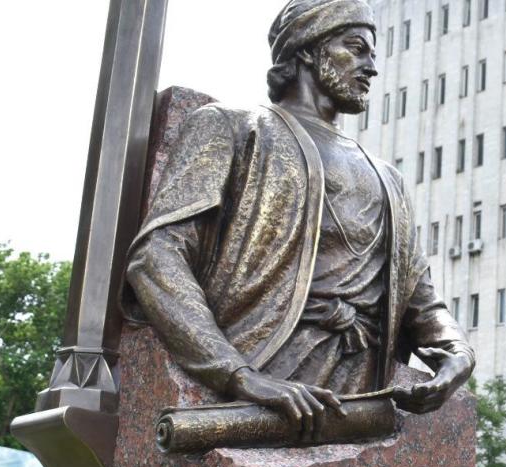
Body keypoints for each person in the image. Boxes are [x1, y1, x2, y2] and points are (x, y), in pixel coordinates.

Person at [126, 0, 474, 442]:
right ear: (308, 49)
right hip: (259, 374)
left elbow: (418, 296)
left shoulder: (389, 179)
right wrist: (238, 374)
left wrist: (456, 352)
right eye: (356, 49)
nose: (371, 68)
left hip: (357, 401)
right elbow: (157, 257)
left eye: (373, 54)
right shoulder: (233, 128)